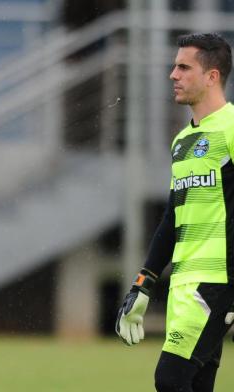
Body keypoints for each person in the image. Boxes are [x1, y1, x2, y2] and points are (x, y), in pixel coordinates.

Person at [115, 33, 234, 392]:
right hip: (184, 284)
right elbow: (172, 218)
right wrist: (144, 281)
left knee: (170, 379)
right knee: (196, 385)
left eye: (184, 67)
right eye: (174, 66)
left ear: (212, 76)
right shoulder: (182, 141)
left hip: (216, 284)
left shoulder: (231, 127)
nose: (173, 75)